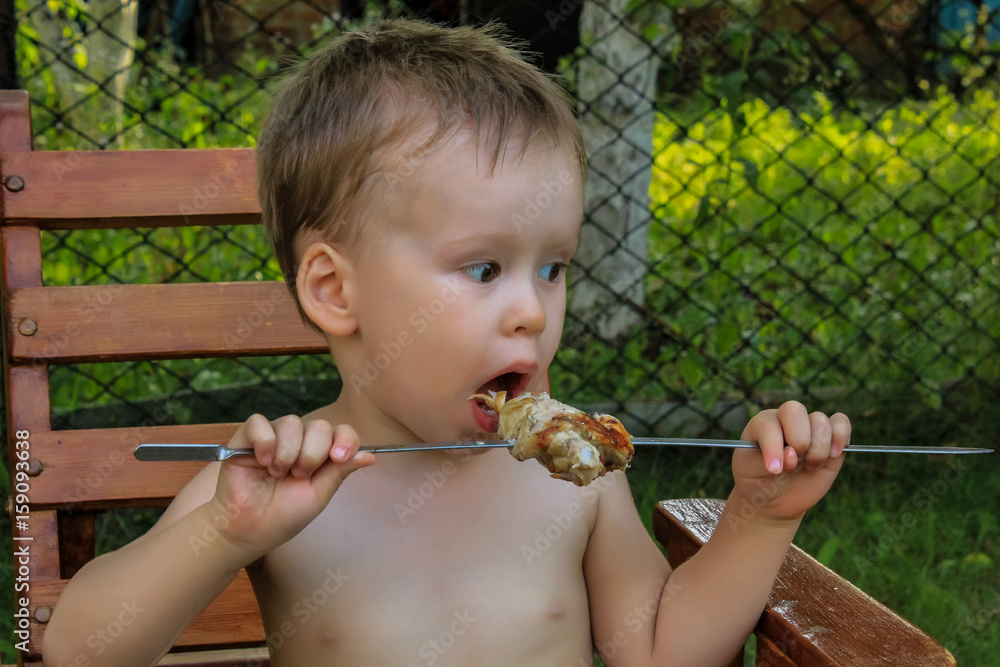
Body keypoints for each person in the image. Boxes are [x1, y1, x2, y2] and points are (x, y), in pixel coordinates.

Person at [42, 18, 851, 667]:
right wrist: (223, 534)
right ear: (335, 290)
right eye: (484, 266)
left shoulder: (576, 487)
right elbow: (78, 648)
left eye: (553, 268)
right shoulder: (280, 488)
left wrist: (759, 516)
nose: (532, 311)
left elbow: (660, 649)